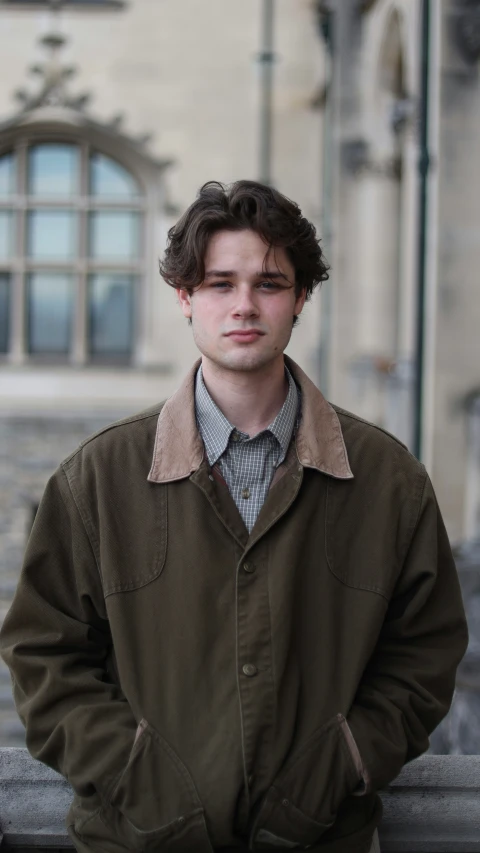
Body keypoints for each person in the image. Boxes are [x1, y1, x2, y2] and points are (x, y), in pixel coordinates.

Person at [0, 180, 468, 853]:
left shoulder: (389, 480)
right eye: (220, 283)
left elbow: (424, 655)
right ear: (185, 297)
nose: (244, 304)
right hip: (139, 841)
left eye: (269, 283)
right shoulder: (96, 479)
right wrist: (139, 775)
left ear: (301, 297)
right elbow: (43, 658)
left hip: (322, 838)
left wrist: (345, 763)